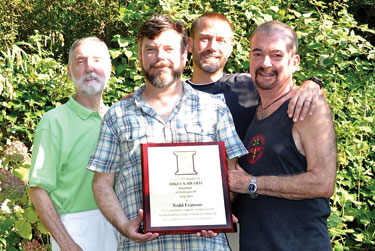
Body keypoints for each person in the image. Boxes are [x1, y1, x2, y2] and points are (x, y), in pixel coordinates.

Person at [87, 15, 248, 250]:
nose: (160, 56)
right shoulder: (117, 115)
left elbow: (233, 173)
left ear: (184, 55)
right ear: (140, 56)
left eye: (169, 48)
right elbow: (101, 183)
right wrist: (124, 225)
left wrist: (219, 209)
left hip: (205, 245)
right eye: (150, 49)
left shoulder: (214, 109)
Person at [228, 21, 337, 250]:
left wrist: (252, 184)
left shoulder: (307, 107)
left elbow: (323, 182)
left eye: (276, 55)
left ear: (294, 62)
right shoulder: (253, 109)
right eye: (258, 53)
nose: (265, 63)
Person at [29, 37, 118, 251]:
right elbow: (38, 190)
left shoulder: (117, 118)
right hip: (75, 232)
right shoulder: (53, 122)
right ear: (69, 72)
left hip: (119, 227)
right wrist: (67, 244)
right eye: (81, 61)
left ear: (109, 68)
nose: (90, 68)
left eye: (97, 60)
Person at [187, 12, 322, 140]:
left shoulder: (249, 85)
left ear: (230, 48)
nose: (212, 47)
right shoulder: (175, 95)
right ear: (189, 44)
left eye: (221, 41)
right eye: (205, 39)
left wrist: (312, 84)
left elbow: (287, 91)